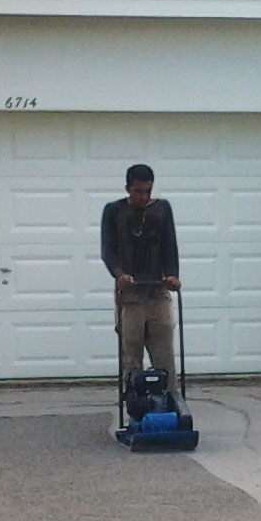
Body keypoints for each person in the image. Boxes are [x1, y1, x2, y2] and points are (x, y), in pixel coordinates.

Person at [101, 164, 181, 391]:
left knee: (164, 353)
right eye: (138, 191)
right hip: (131, 295)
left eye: (148, 191)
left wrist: (172, 275)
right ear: (128, 188)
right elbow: (108, 250)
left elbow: (170, 245)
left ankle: (169, 398)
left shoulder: (162, 209)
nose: (143, 197)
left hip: (157, 292)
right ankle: (135, 400)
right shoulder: (114, 211)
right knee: (131, 354)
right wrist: (119, 275)